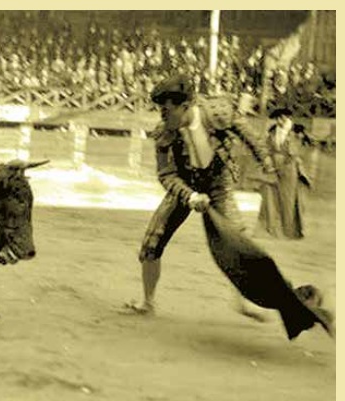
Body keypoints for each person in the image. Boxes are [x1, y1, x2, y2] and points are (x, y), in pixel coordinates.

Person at [123, 75, 276, 318]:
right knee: (152, 243)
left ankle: (243, 302)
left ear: (185, 106)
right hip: (186, 184)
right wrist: (190, 195)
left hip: (218, 183)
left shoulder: (218, 112)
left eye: (166, 110)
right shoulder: (165, 132)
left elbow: (248, 134)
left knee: (238, 241)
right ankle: (147, 302)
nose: (162, 116)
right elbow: (166, 175)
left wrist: (266, 162)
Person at [256, 107, 310, 239]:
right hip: (274, 166)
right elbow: (267, 147)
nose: (280, 121)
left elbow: (297, 151)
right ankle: (272, 229)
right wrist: (268, 162)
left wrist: (289, 161)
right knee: (271, 196)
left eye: (283, 118)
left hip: (289, 167)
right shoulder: (272, 131)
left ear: (286, 118)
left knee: (288, 199)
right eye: (278, 118)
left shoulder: (296, 131)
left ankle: (290, 231)